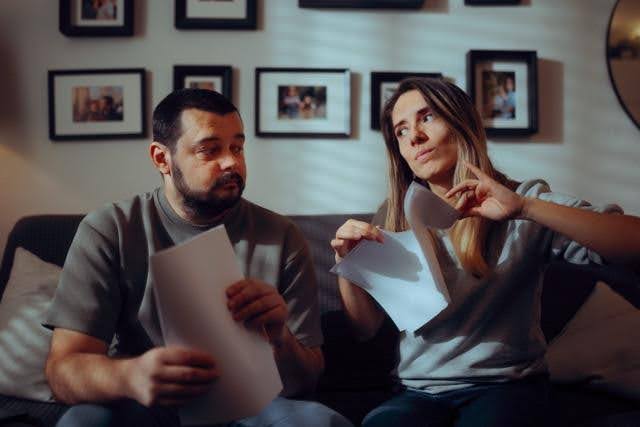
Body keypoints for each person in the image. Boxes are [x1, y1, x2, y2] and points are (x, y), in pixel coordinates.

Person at [331, 77, 640, 427]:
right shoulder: (392, 215)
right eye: (400, 131)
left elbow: (633, 243)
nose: (413, 136)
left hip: (507, 386)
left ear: (461, 121)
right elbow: (365, 329)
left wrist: (525, 207)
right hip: (417, 392)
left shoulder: (521, 200)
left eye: (427, 117)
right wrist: (348, 265)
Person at [44, 89, 353, 427]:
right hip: (145, 402)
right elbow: (62, 372)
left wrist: (279, 337)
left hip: (252, 407)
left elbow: (305, 383)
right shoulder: (110, 229)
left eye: (237, 147)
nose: (232, 162)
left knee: (318, 421)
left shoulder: (281, 236)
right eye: (210, 149)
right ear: (162, 159)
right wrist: (131, 376)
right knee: (82, 422)